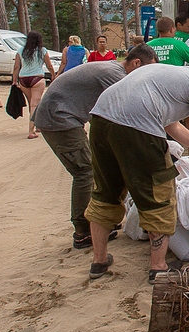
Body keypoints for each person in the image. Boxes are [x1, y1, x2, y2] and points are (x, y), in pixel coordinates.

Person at [84, 59, 189, 282]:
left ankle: (98, 261)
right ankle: (158, 267)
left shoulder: (170, 75)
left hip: (101, 122)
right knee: (161, 194)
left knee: (106, 192)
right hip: (137, 128)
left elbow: (173, 127)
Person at [34, 43, 158, 249]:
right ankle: (82, 231)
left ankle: (97, 222)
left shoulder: (109, 69)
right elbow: (130, 110)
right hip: (59, 120)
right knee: (85, 172)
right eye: (146, 70)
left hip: (63, 117)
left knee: (95, 168)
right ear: (136, 62)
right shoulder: (115, 75)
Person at [12, 30, 55, 139]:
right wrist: (53, 75)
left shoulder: (21, 50)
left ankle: (36, 124)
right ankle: (31, 130)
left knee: (31, 103)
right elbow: (49, 65)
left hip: (23, 78)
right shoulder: (42, 51)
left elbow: (16, 67)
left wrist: (14, 81)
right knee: (35, 104)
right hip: (37, 77)